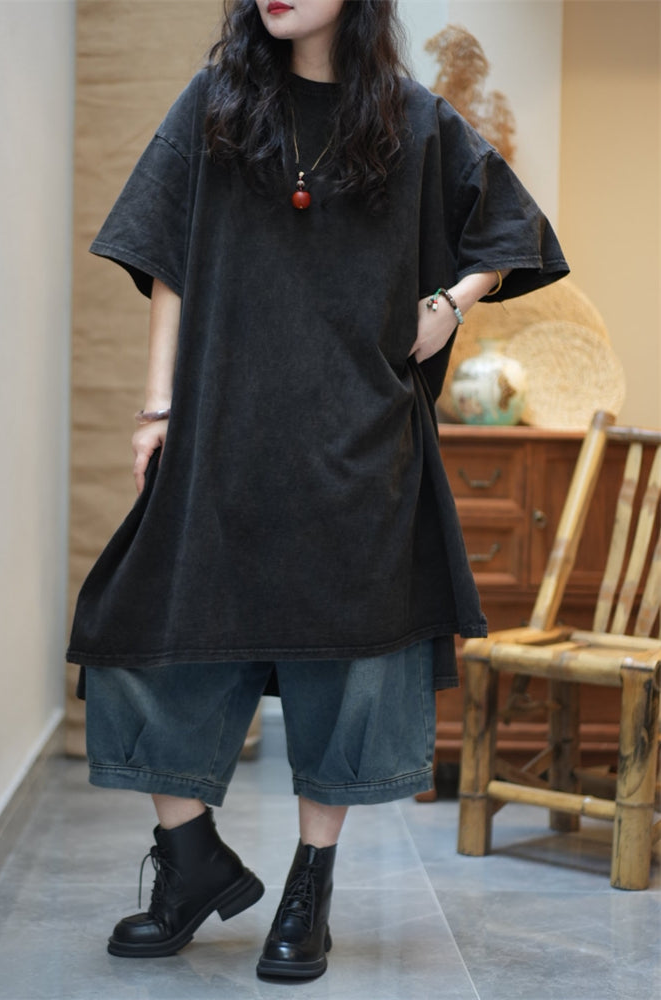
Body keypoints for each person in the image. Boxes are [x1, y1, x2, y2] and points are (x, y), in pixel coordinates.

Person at [67, 0, 568, 981]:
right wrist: (157, 408)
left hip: (358, 443)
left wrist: (450, 301)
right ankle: (192, 864)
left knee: (343, 664)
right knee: (134, 635)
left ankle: (310, 885)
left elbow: (512, 226)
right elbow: (165, 256)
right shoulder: (216, 103)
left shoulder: (413, 119)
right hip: (222, 435)